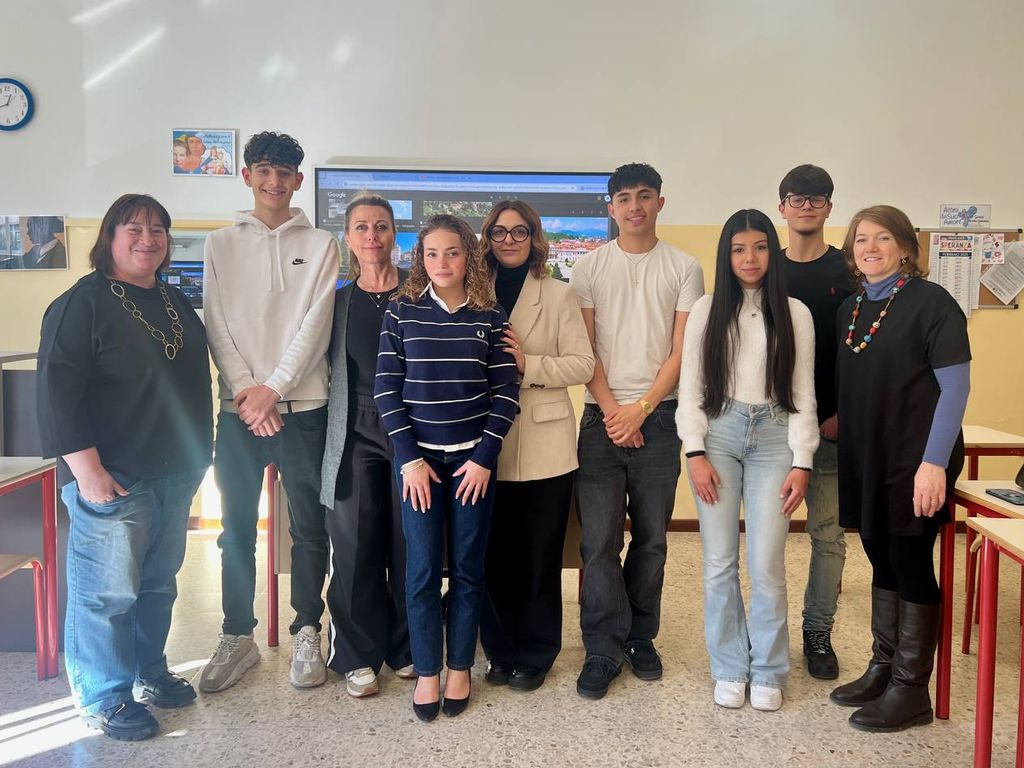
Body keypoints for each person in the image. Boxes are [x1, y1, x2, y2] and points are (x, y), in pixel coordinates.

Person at [36, 194, 213, 740]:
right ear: (109, 236)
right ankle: (104, 696)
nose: (148, 239)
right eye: (134, 228)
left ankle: (149, 672)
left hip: (175, 471)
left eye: (158, 230)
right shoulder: (80, 304)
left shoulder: (172, 298)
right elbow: (57, 394)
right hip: (112, 475)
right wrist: (86, 471)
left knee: (157, 584)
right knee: (107, 594)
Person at [199, 132, 339, 693]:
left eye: (284, 173)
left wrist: (274, 390)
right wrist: (248, 393)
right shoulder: (219, 243)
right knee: (235, 529)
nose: (274, 182)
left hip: (304, 408)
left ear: (299, 180)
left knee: (309, 527)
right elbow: (215, 321)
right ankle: (238, 635)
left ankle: (307, 629)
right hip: (239, 413)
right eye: (264, 170)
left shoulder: (323, 244)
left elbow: (315, 325)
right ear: (248, 176)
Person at [830, 205, 970, 732]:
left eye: (883, 238)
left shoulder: (933, 303)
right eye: (861, 239)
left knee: (909, 561)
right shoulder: (851, 310)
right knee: (879, 556)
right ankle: (883, 669)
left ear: (906, 248)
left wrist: (934, 464)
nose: (870, 247)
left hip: (917, 457)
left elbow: (955, 389)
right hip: (869, 454)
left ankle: (911, 691)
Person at [375, 214, 520, 721]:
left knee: (466, 570)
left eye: (452, 252)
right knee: (419, 572)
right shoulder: (402, 311)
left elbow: (507, 392)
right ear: (420, 258)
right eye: (432, 253)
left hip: (471, 466)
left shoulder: (490, 315)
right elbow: (386, 390)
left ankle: (460, 667)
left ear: (468, 257)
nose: (442, 262)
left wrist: (483, 459)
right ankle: (427, 671)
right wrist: (409, 459)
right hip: (418, 467)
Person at [568, 162, 704, 699]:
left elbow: (682, 351)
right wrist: (614, 413)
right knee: (599, 542)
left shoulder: (685, 267)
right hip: (600, 420)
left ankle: (640, 637)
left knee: (652, 539)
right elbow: (586, 350)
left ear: (660, 202)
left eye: (644, 195)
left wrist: (641, 409)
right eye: (623, 198)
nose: (634, 206)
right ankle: (602, 647)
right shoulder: (588, 268)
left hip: (661, 419)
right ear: (611, 207)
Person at [678, 209, 818, 712]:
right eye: (739, 249)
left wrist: (802, 460)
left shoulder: (796, 313)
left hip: (776, 438)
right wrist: (694, 451)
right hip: (718, 434)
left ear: (771, 253)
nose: (750, 258)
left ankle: (769, 670)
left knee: (767, 563)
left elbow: (803, 392)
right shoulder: (706, 310)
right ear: (726, 255)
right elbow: (690, 387)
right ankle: (729, 666)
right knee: (719, 562)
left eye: (759, 247)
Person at [478, 201, 595, 692]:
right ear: (487, 238)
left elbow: (583, 365)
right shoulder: (471, 292)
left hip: (546, 444)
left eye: (519, 231)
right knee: (492, 556)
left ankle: (537, 652)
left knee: (540, 557)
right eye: (499, 232)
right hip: (483, 444)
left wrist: (529, 364)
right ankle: (499, 651)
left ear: (534, 238)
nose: (509, 240)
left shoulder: (559, 293)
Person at [319, 194, 414, 697]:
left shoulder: (419, 293)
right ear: (348, 238)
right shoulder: (337, 303)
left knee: (409, 542)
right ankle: (357, 655)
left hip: (413, 430)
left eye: (381, 226)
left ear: (394, 233)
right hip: (354, 428)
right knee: (355, 544)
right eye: (361, 227)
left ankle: (406, 646)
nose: (372, 236)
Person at [778, 164, 854, 679]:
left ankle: (818, 632)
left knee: (827, 536)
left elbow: (861, 351)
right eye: (797, 198)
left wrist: (843, 413)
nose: (806, 207)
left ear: (829, 207)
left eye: (817, 199)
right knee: (766, 539)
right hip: (771, 429)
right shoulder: (766, 268)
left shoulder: (847, 272)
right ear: (782, 206)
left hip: (829, 428)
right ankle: (768, 633)